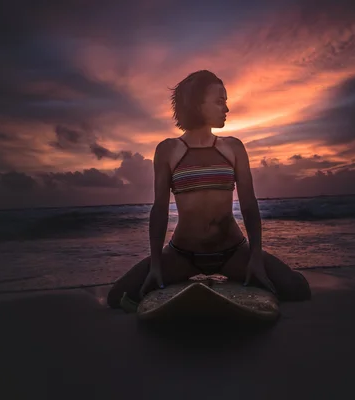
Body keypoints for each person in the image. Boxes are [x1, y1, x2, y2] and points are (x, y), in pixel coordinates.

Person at [107, 70, 311, 308]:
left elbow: (248, 205)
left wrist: (255, 258)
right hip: (182, 255)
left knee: (297, 289)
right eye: (220, 101)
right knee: (118, 296)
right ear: (196, 104)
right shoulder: (168, 150)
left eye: (225, 101)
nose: (226, 108)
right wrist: (155, 264)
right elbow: (160, 210)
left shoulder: (233, 148)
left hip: (233, 252)